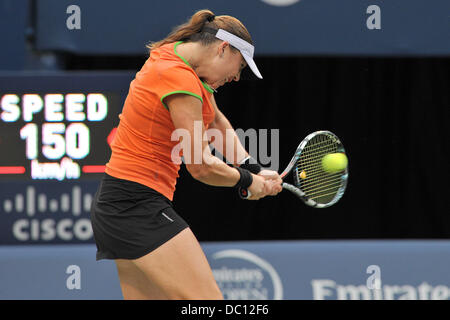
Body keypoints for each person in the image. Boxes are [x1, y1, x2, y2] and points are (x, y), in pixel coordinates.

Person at [90, 9, 282, 300]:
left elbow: (215, 120)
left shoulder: (177, 59)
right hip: (135, 208)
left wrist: (252, 167)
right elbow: (201, 166)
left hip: (118, 207)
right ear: (223, 48)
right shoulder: (178, 77)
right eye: (239, 66)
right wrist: (247, 182)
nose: (236, 77)